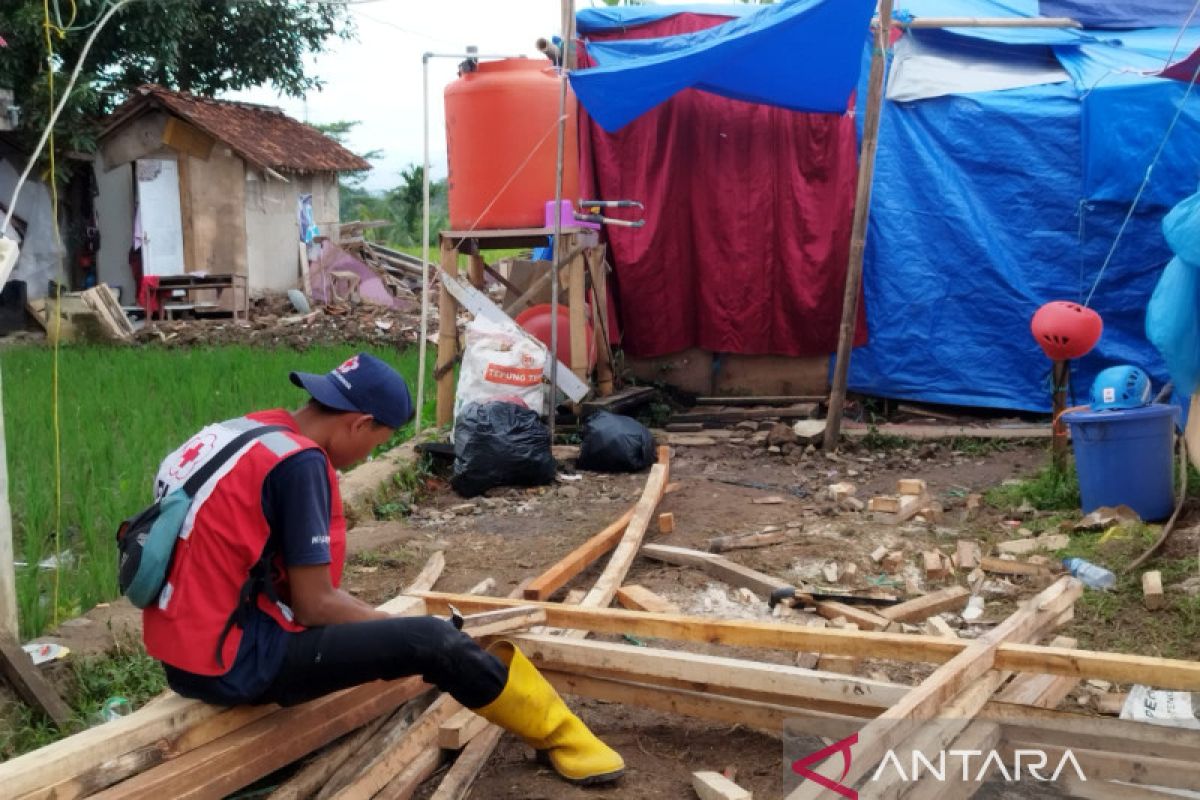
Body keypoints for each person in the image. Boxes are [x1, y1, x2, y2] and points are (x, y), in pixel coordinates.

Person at [140, 352, 624, 785]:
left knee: (393, 633)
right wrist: (403, 632)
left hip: (183, 653)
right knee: (433, 642)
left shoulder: (239, 434)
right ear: (360, 423)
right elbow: (314, 604)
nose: (366, 457)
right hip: (235, 663)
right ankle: (565, 739)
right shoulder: (299, 463)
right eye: (377, 443)